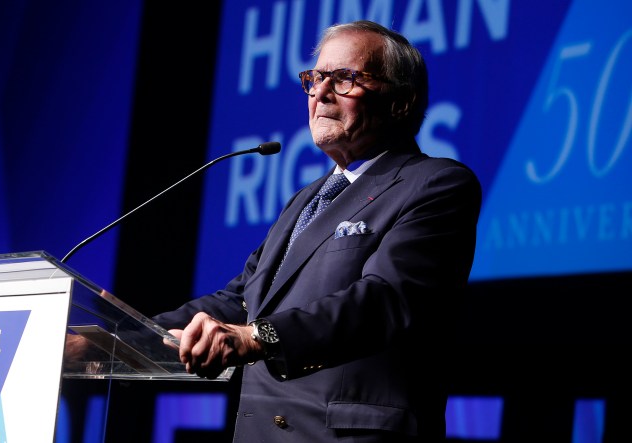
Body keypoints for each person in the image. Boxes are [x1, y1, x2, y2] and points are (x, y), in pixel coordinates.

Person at [152, 20, 481, 442]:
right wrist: (119, 336)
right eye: (316, 78)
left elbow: (384, 300)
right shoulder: (306, 199)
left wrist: (257, 337)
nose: (321, 93)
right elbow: (241, 300)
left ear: (401, 102)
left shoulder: (435, 184)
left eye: (345, 78)